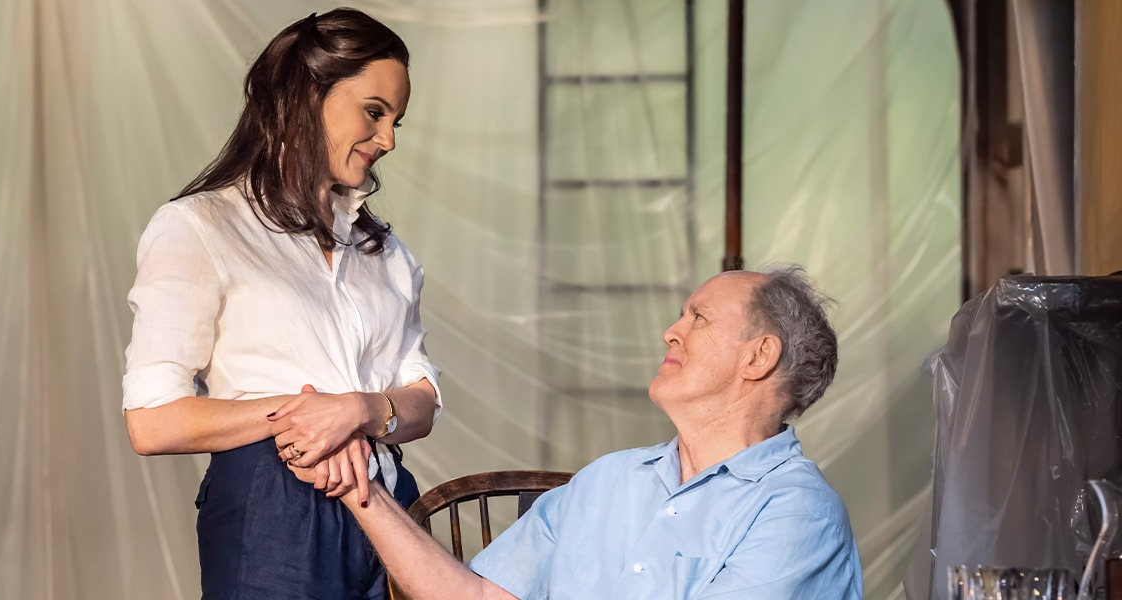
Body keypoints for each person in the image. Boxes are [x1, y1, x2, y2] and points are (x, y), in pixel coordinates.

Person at [121, 9, 441, 599]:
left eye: (397, 120)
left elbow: (422, 400)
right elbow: (153, 420)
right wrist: (312, 416)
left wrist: (362, 411)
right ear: (305, 94)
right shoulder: (200, 227)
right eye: (374, 112)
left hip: (392, 504)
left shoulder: (386, 252)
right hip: (274, 506)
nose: (389, 139)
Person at [319, 268, 862, 599]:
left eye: (699, 318)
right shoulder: (609, 480)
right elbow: (478, 594)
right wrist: (356, 485)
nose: (671, 331)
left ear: (759, 356)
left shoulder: (796, 511)